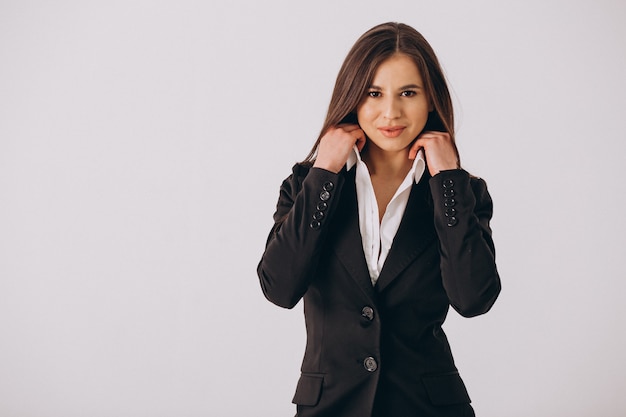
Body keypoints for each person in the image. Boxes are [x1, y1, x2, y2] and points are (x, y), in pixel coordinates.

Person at [257, 22, 501, 417]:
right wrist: (324, 172)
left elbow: (473, 298)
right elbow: (279, 288)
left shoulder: (461, 192)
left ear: (431, 101)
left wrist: (448, 181)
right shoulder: (308, 184)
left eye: (408, 92)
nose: (391, 112)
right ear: (353, 97)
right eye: (374, 93)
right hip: (330, 407)